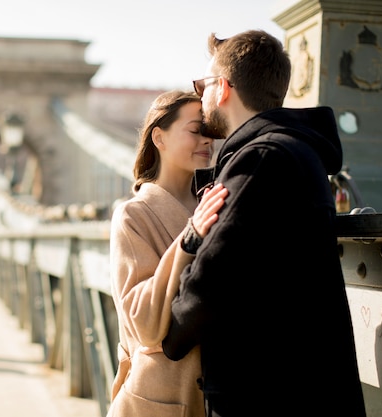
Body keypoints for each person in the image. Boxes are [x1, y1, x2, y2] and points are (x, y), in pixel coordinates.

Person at [162, 30, 367, 416]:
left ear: (222, 88)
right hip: (303, 389)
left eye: (202, 86)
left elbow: (209, 283)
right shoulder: (295, 153)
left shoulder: (261, 161)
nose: (200, 97)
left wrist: (169, 335)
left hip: (266, 395)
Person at [108, 90, 228, 417]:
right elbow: (144, 324)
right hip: (159, 400)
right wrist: (189, 239)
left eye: (211, 131)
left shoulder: (221, 203)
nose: (207, 140)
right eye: (195, 130)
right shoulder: (133, 215)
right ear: (158, 137)